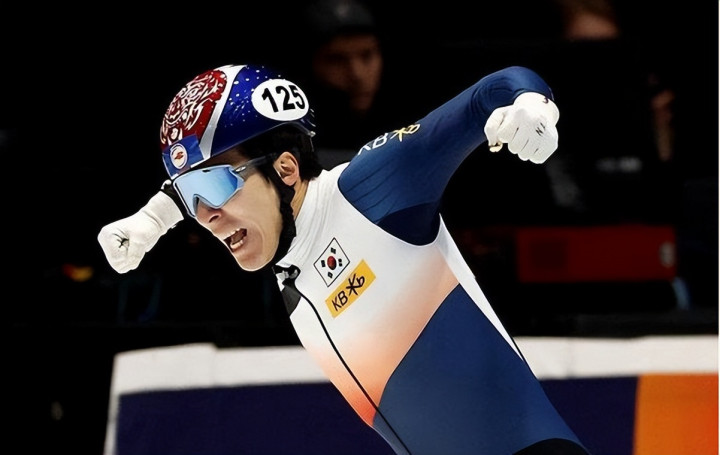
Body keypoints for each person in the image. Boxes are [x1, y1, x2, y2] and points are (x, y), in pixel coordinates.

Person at [97, 63, 590, 454]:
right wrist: (152, 220)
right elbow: (200, 182)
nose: (206, 216)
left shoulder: (371, 191)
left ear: (286, 169)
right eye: (191, 196)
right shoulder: (286, 251)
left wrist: (532, 104)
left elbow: (496, 88)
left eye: (214, 187)